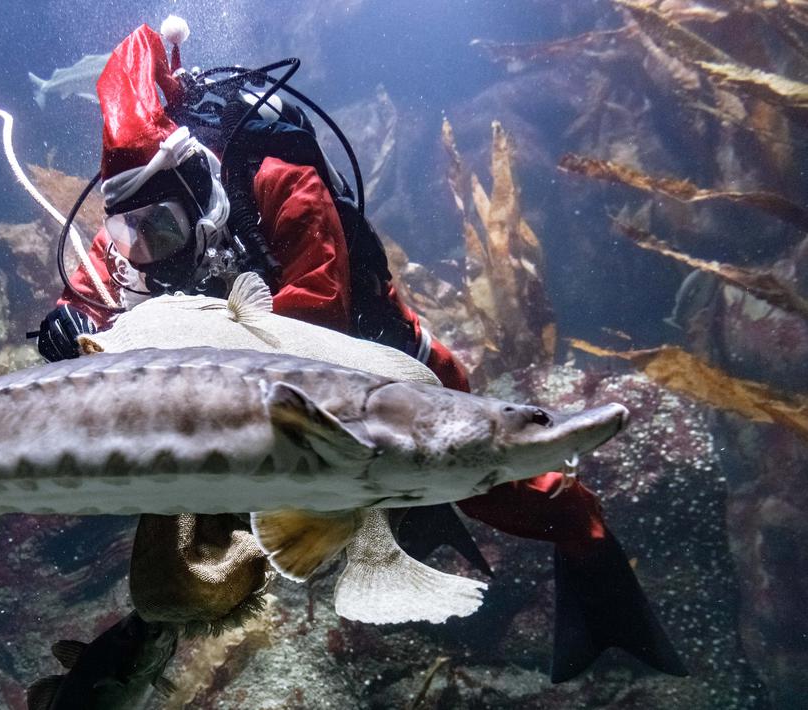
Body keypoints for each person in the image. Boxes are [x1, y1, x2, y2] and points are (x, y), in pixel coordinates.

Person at [34, 20, 685, 683]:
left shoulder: (280, 181)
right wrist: (68, 318)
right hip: (266, 407)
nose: (150, 249)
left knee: (508, 488)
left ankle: (601, 584)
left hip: (385, 368)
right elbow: (98, 277)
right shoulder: (140, 220)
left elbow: (310, 325)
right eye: (131, 230)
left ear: (198, 188)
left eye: (164, 228)